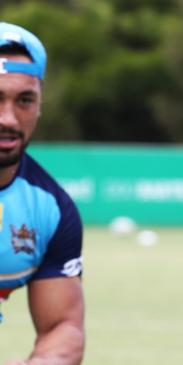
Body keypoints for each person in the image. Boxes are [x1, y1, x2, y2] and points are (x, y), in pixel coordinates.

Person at [0, 22, 84, 365]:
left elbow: (63, 328)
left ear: (39, 104)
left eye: (24, 100)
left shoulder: (52, 210)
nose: (7, 118)